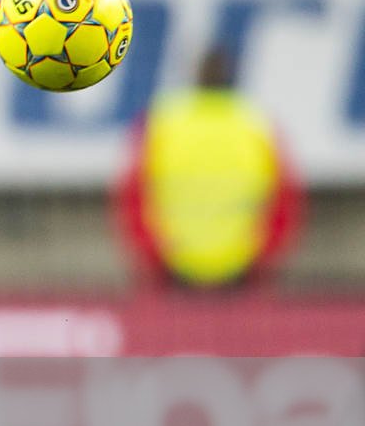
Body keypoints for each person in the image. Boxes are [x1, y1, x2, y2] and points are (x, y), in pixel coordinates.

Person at [115, 46, 303, 289]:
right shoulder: (256, 124)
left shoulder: (163, 121)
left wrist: (152, 255)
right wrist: (264, 258)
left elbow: (133, 195)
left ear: (194, 75)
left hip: (174, 263)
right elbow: (284, 201)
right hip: (241, 264)